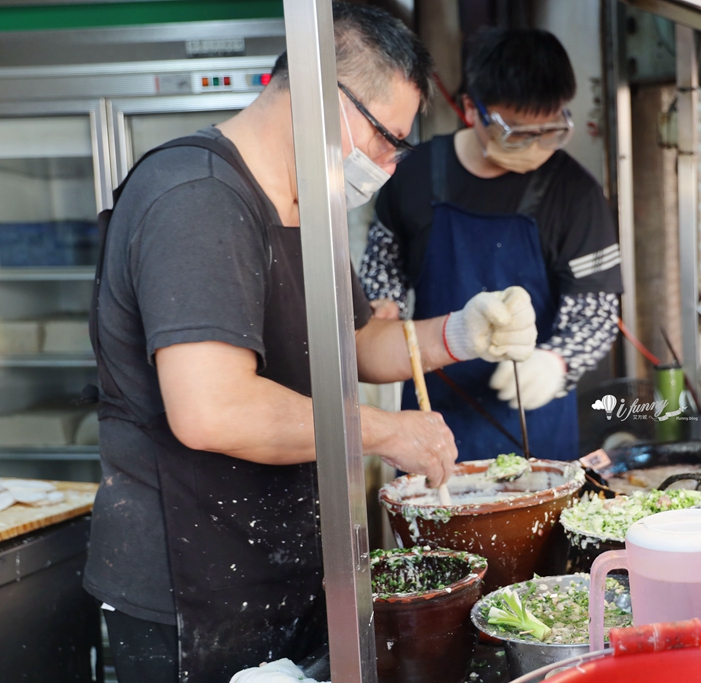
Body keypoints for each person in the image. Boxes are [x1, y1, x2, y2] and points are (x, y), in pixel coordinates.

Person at [82, 5, 536, 683]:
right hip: (191, 594)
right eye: (386, 138)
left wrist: (462, 331)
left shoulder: (306, 208)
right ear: (324, 101)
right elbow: (213, 407)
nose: (386, 163)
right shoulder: (197, 198)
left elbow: (355, 344)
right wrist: (383, 429)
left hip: (283, 573)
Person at [360, 29, 622, 462]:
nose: (536, 148)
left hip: (536, 428)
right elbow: (381, 269)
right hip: (434, 418)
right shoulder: (412, 175)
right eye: (516, 133)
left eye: (551, 131)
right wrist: (379, 304)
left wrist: (557, 361)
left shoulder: (575, 193)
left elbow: (595, 310)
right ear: (470, 110)